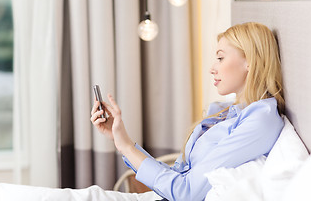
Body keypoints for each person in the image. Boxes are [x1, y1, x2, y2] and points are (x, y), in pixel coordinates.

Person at [90, 22, 285, 201]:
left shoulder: (260, 121)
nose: (212, 68)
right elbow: (178, 177)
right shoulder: (226, 112)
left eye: (220, 58)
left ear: (250, 61)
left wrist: (126, 147)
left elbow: (186, 192)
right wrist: (121, 140)